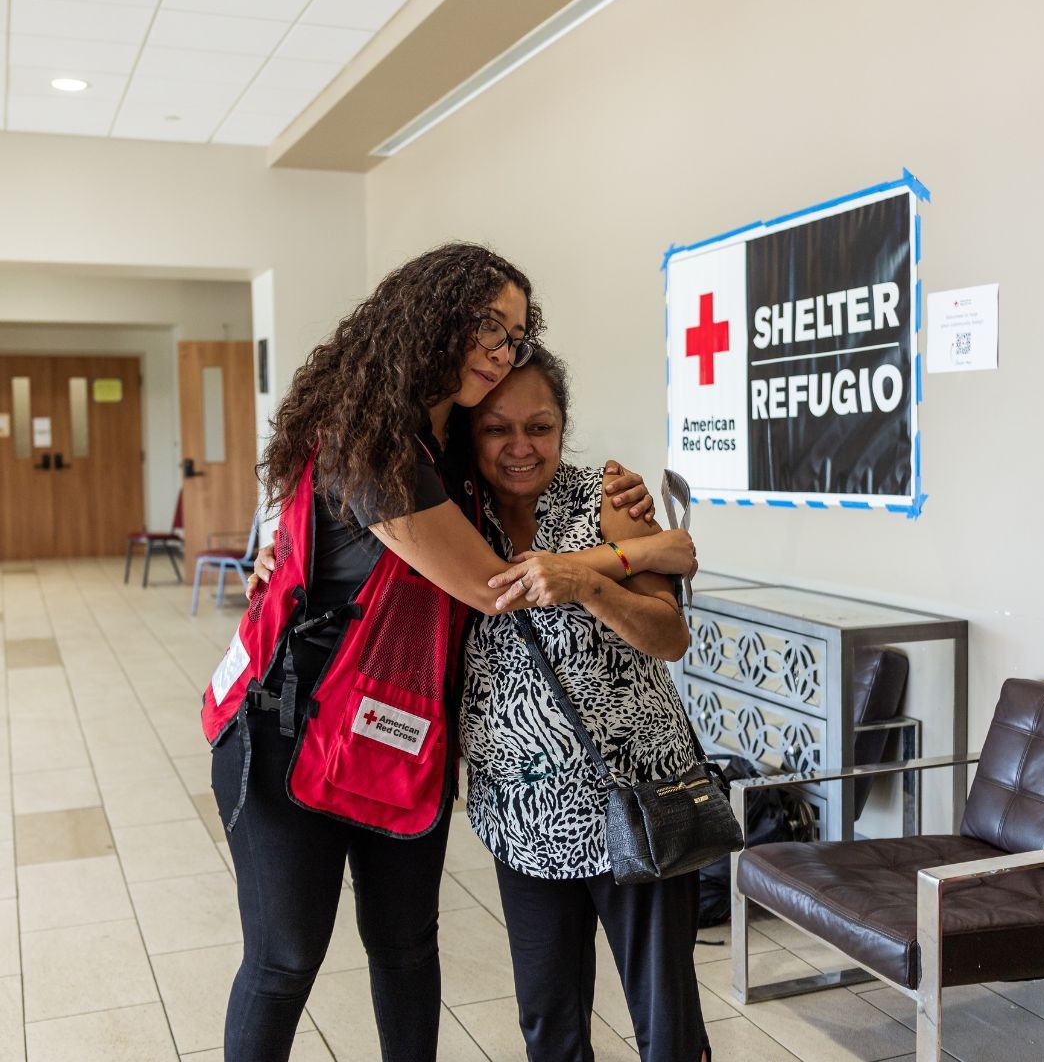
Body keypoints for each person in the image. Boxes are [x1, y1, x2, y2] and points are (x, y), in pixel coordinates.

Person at [208, 241, 694, 1062]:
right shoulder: (374, 442)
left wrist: (631, 526)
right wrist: (645, 552)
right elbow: (491, 585)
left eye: (515, 336)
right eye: (488, 326)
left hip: (402, 738)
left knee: (406, 949)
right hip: (291, 731)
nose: (500, 350)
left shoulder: (456, 452)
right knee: (285, 960)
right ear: (430, 317)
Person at [459, 348, 711, 1062]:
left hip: (639, 796)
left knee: (666, 1022)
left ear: (562, 427)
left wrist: (585, 584)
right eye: (497, 429)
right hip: (520, 811)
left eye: (539, 427)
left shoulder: (607, 500)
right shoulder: (454, 518)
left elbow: (669, 636)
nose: (520, 446)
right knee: (549, 1022)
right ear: (470, 433)